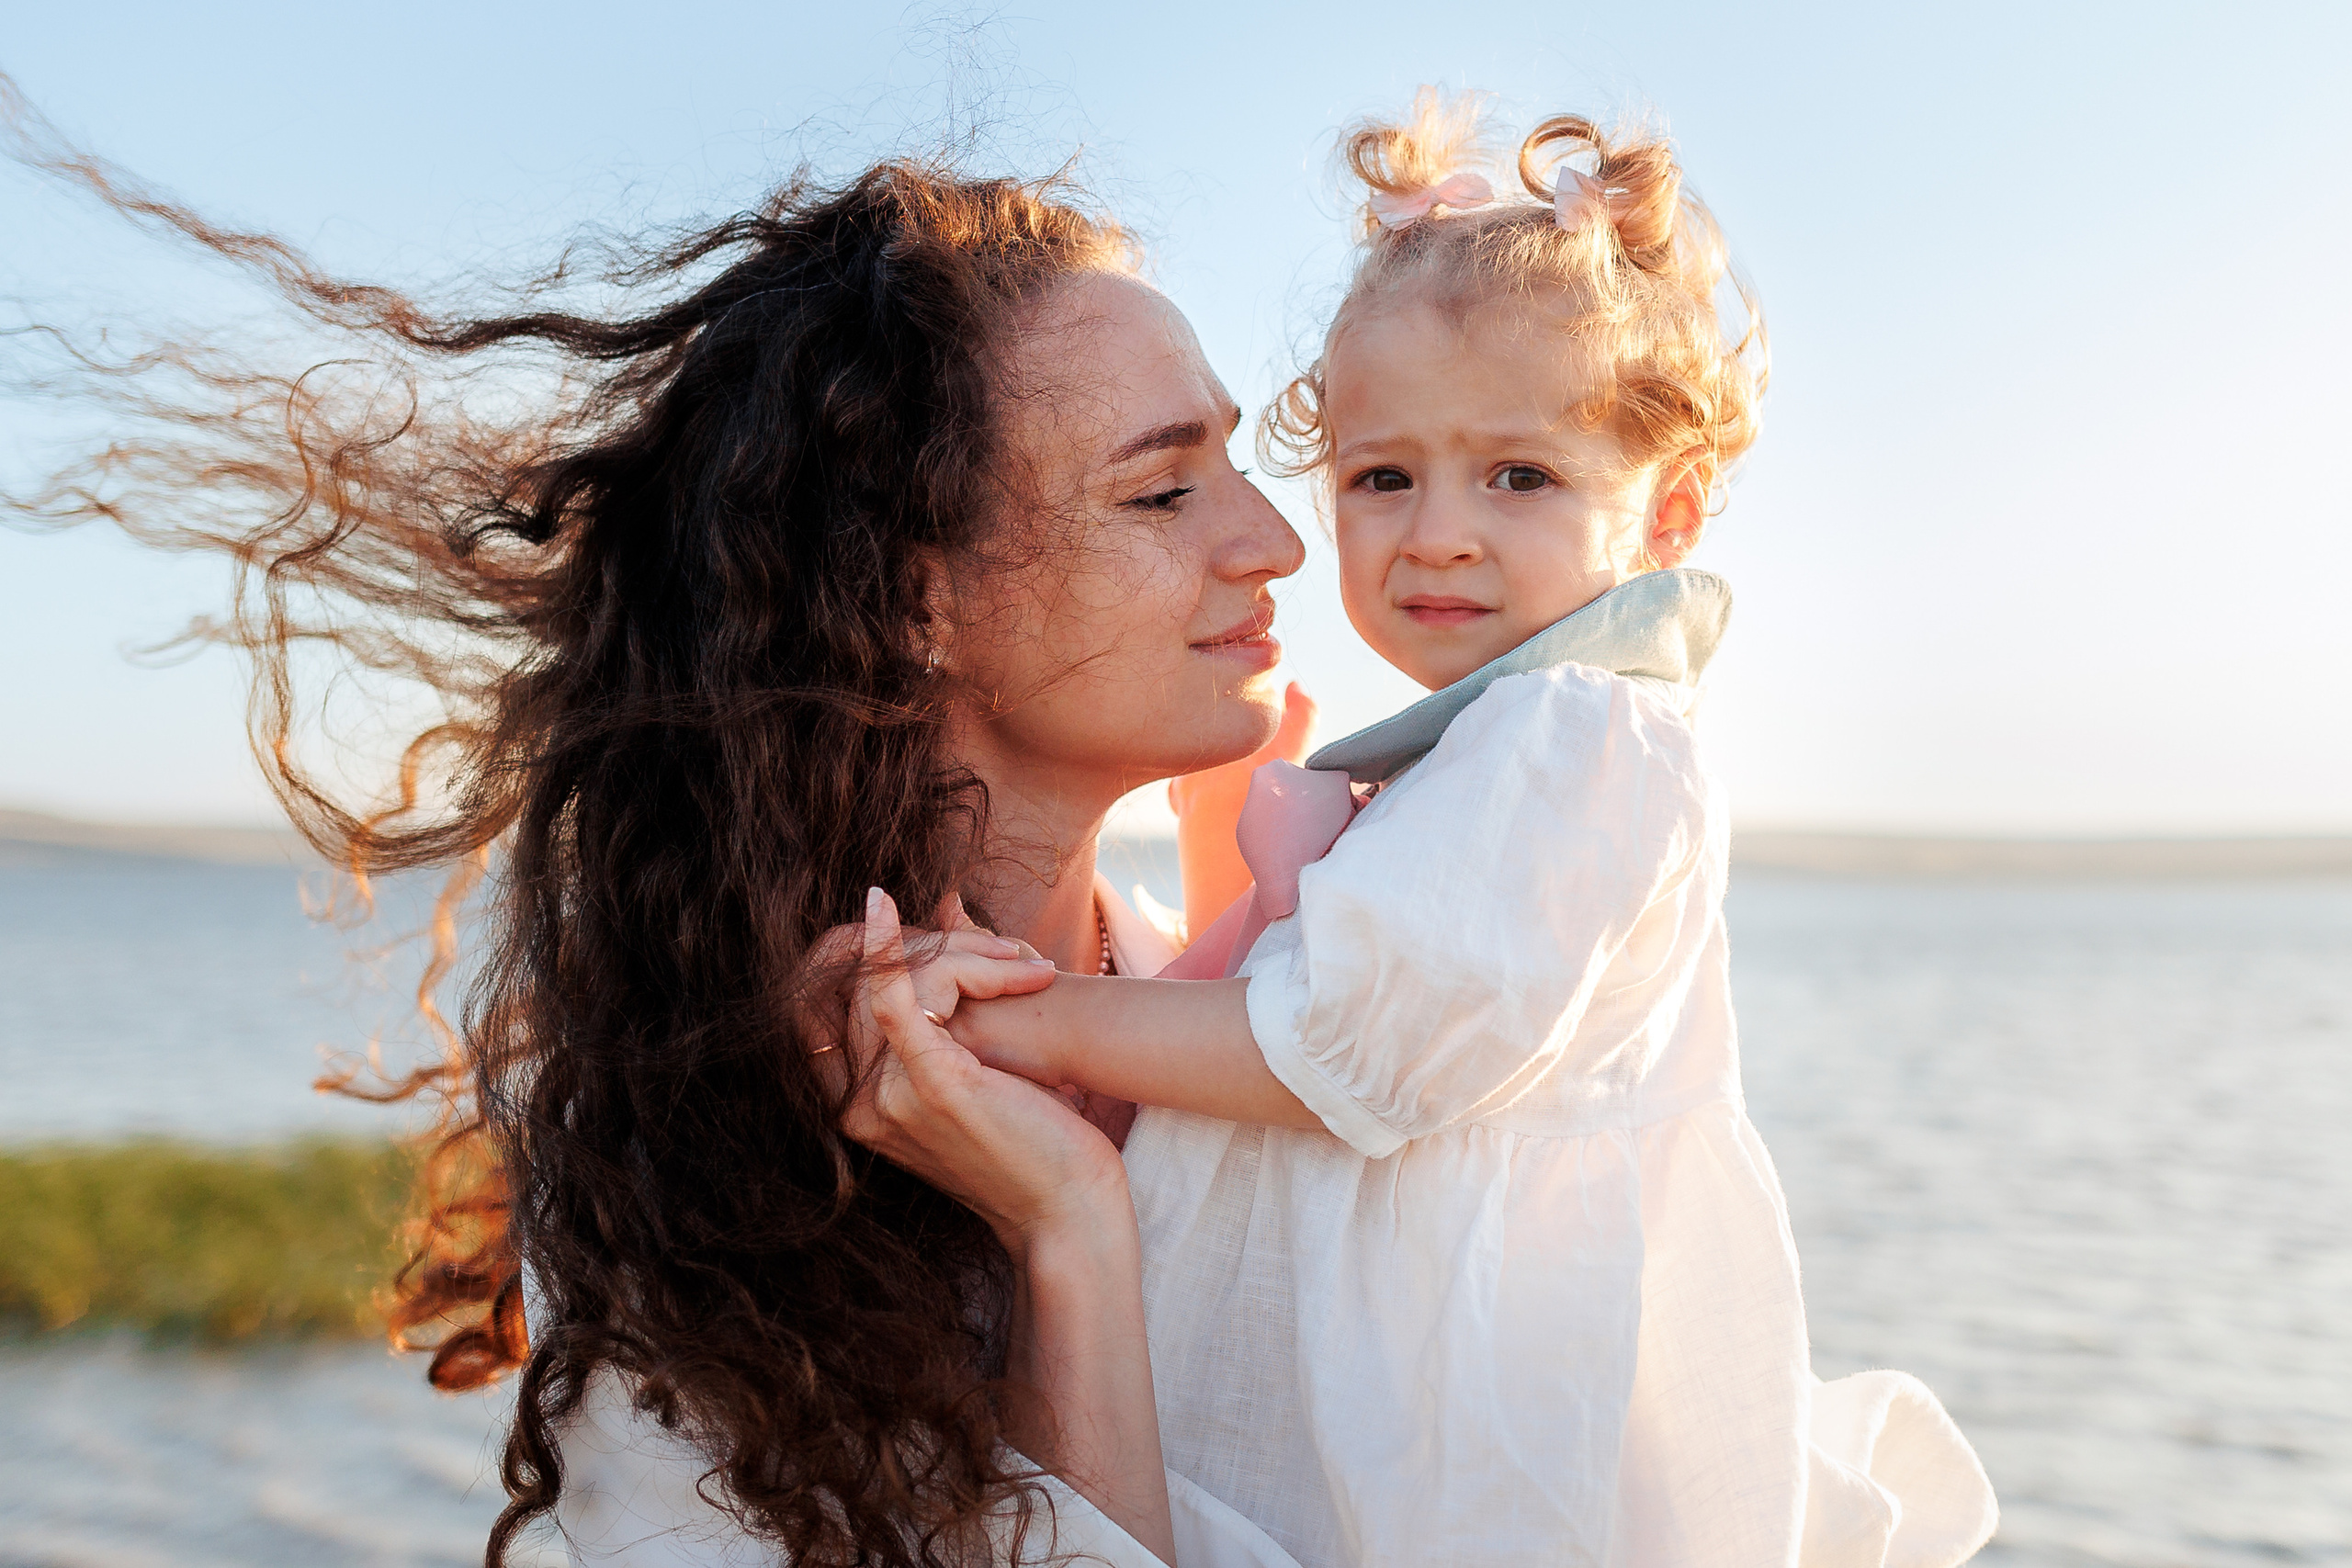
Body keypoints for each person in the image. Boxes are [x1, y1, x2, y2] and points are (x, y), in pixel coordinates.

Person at [3, 79, 1306, 1565]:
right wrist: (1067, 1234)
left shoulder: (1304, 1015)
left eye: (1238, 460)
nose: (1273, 540)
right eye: (1162, 492)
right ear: (911, 600)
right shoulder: (701, 1208)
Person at [937, 93, 2001, 1567]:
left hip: (1459, 1425)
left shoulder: (1580, 738)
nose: (1435, 531)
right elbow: (1335, 989)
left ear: (1670, 513)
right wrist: (1230, 857)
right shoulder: (1491, 747)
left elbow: (1341, 1053)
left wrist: (1039, 1021)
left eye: (1519, 476)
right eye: (1384, 477)